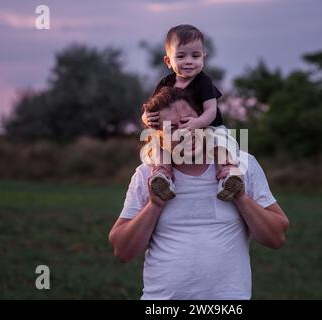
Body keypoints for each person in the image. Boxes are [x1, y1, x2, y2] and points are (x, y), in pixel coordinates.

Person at [109, 87, 289, 300]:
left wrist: (240, 197)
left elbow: (276, 237)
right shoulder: (146, 174)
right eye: (172, 128)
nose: (184, 133)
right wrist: (154, 205)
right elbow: (122, 250)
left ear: (204, 121)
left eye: (188, 122)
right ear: (159, 137)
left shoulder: (242, 165)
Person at [142, 24, 243, 202]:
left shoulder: (204, 82)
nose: (189, 61)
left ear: (203, 57)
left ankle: (228, 176)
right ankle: (163, 176)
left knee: (222, 145)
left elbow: (211, 111)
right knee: (157, 144)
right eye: (181, 56)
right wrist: (146, 118)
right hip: (178, 132)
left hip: (209, 126)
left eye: (195, 56)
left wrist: (197, 123)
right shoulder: (166, 83)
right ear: (168, 61)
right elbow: (151, 107)